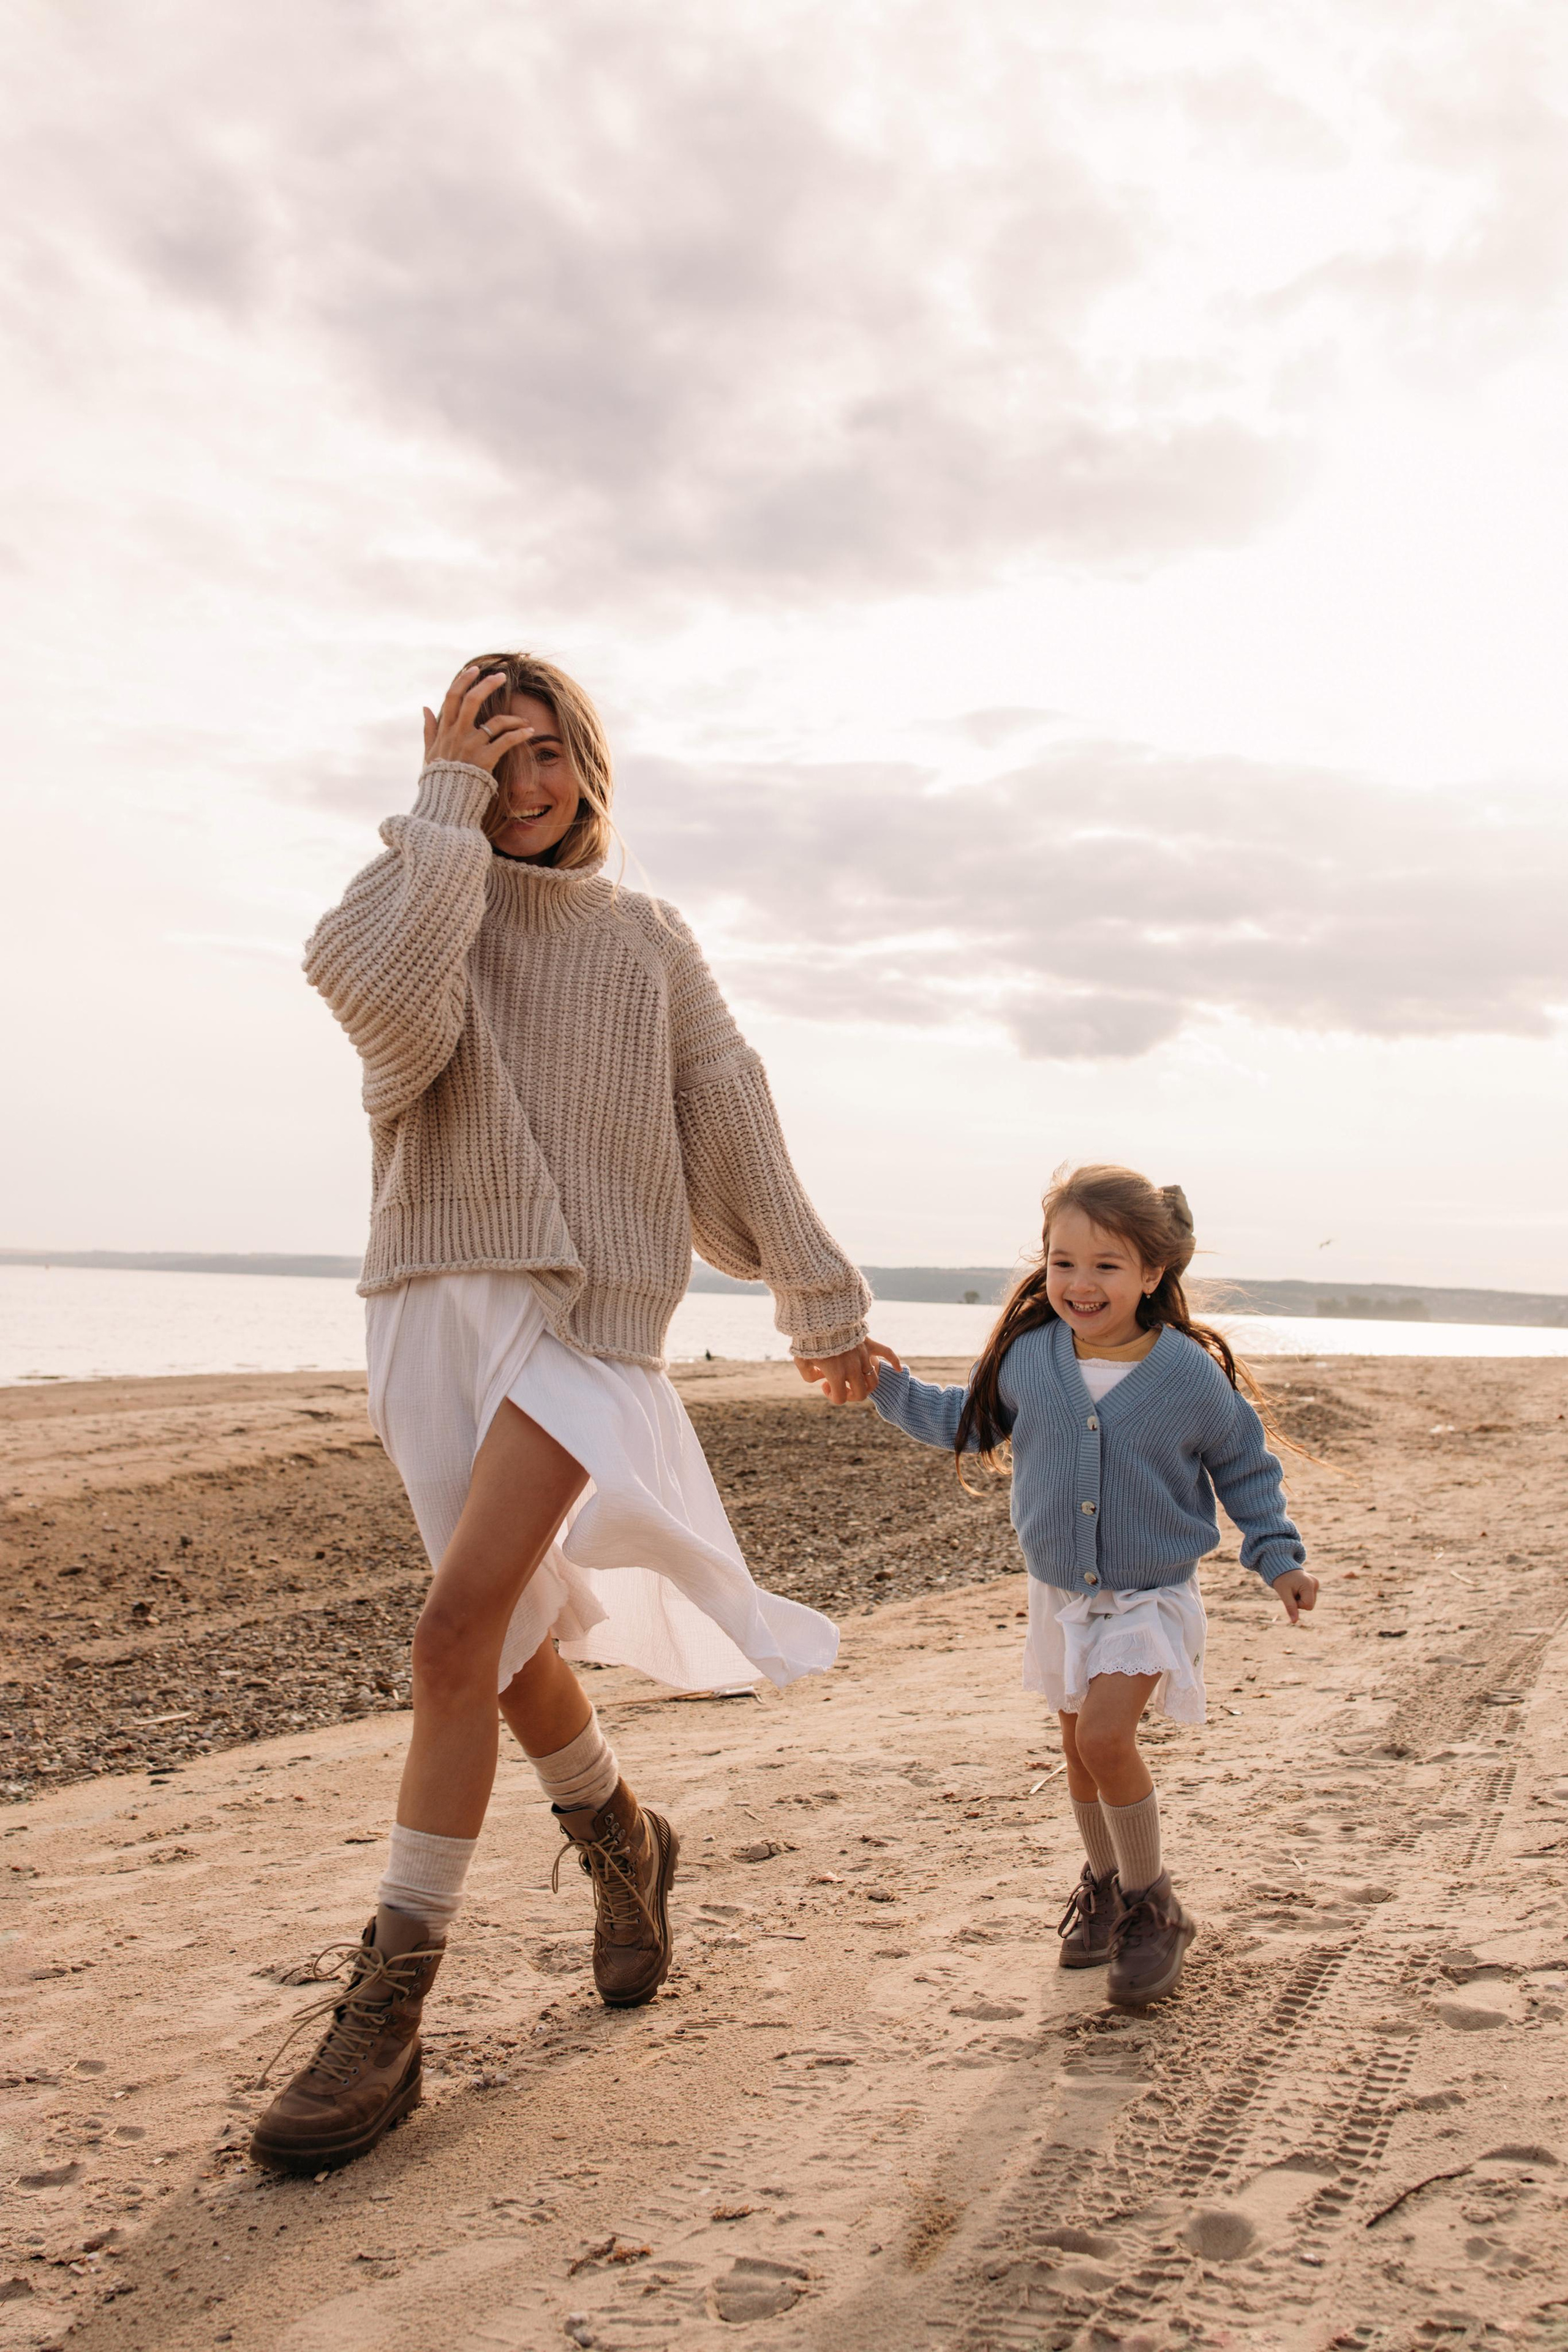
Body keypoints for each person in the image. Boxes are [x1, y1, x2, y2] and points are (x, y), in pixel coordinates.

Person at [251, 657, 884, 2173]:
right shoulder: (414, 893)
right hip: (429, 1299)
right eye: (492, 757)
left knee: (449, 1634)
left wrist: (818, 1294)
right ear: (450, 772)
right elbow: (382, 1015)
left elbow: (729, 1104)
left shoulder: (643, 940)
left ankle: (390, 2010)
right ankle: (624, 1840)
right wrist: (439, 818)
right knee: (510, 1640)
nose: (521, 785)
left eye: (543, 754)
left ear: (587, 766)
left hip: (585, 1317)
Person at [854, 1163, 1316, 2007]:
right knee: (1075, 1751)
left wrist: (1277, 1556)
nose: (1080, 1282)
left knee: (1106, 1741)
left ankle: (1153, 1905)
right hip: (1060, 1594)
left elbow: (1245, 1467)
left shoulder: (1187, 1376)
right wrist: (884, 1382)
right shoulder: (1031, 1358)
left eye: (1106, 1264)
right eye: (1063, 1262)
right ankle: (1104, 1888)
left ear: (1152, 1273)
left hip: (1149, 1596)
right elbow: (965, 1421)